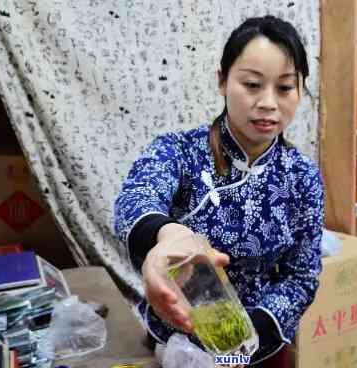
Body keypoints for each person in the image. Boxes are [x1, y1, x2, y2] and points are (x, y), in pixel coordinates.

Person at [114, 15, 324, 367]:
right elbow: (136, 199)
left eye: (285, 87)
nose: (269, 102)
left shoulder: (302, 176)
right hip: (177, 340)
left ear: (300, 90)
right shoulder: (180, 151)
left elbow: (301, 276)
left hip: (260, 347)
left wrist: (244, 340)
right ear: (223, 82)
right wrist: (169, 236)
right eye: (253, 85)